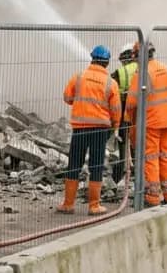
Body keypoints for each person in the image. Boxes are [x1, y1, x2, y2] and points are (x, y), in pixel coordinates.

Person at [58, 45, 122, 216]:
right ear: (107, 62)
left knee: (74, 164)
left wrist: (79, 103)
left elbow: (67, 97)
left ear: (92, 59)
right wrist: (115, 126)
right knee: (96, 165)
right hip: (100, 130)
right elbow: (116, 110)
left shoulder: (79, 76)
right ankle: (94, 206)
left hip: (80, 128)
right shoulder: (111, 83)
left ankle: (68, 204)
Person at [125, 41, 167, 207]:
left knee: (151, 158)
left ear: (139, 55)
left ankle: (153, 197)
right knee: (166, 157)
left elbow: (132, 101)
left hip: (151, 122)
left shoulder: (142, 73)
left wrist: (128, 118)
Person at [110, 44, 138, 183]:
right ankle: (138, 172)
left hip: (124, 112)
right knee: (137, 142)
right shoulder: (145, 69)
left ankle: (121, 172)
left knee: (122, 142)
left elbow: (109, 90)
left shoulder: (119, 72)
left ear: (126, 58)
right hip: (142, 113)